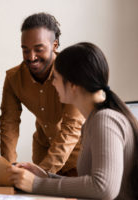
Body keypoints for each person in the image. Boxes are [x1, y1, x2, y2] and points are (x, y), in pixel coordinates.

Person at [9, 42, 138, 199]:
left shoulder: (105, 120)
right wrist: (45, 177)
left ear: (73, 85)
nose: (52, 83)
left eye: (55, 77)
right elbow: (91, 186)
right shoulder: (93, 121)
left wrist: (36, 183)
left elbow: (104, 188)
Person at [0, 12, 84, 176]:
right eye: (25, 50)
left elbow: (71, 128)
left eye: (39, 49)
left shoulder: (73, 74)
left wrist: (42, 172)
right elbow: (8, 124)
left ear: (55, 45)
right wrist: (9, 168)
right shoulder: (13, 78)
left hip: (79, 156)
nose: (31, 57)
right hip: (43, 151)